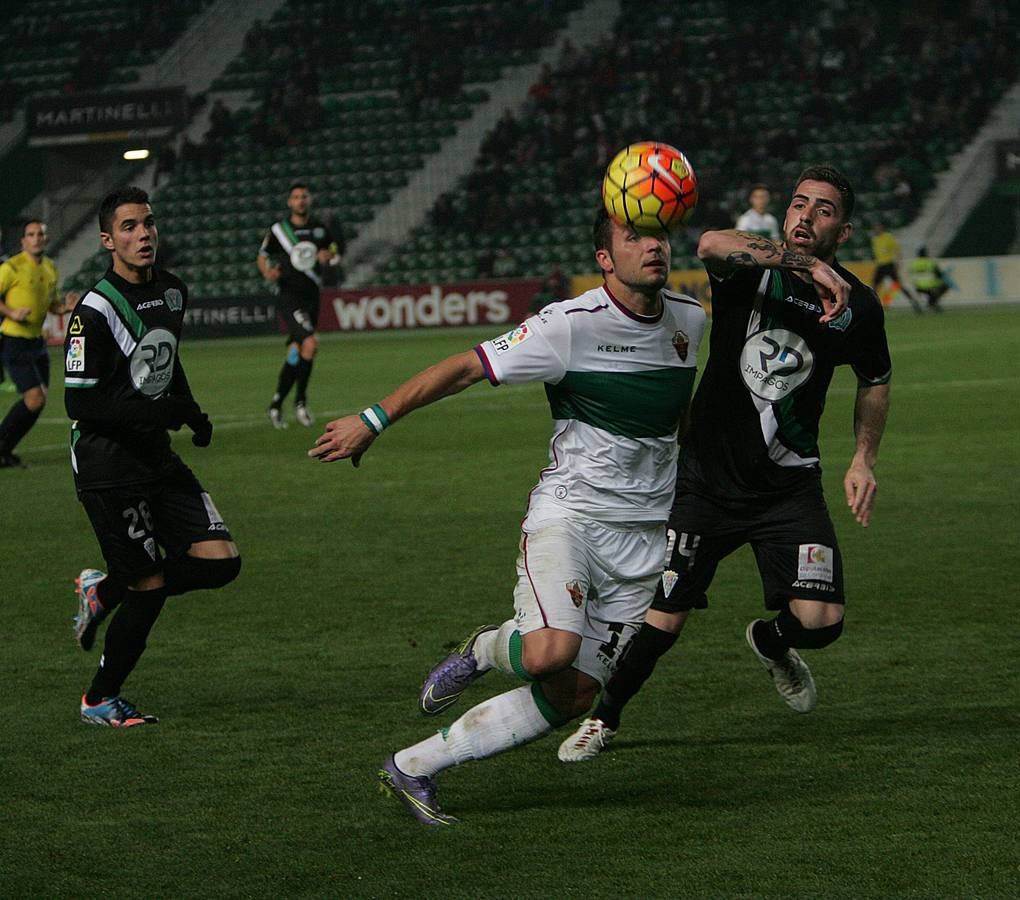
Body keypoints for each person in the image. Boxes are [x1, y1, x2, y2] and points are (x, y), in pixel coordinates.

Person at [309, 208, 707, 826]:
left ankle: (412, 765)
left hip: (646, 540)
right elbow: (467, 367)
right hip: (571, 517)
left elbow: (675, 416)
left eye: (659, 235)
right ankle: (489, 647)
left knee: (573, 692)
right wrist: (373, 420)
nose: (653, 247)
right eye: (635, 237)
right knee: (550, 650)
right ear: (605, 259)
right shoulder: (568, 325)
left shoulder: (690, 318)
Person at [557, 164, 891, 762]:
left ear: (843, 230)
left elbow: (875, 379)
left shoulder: (857, 308)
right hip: (707, 480)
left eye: (823, 210)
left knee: (823, 619)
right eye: (799, 204)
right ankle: (604, 721)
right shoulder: (750, 271)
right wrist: (804, 264)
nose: (805, 217)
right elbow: (711, 241)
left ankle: (769, 639)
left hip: (788, 485)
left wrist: (863, 458)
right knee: (667, 615)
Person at [64, 185, 241, 727]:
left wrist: (191, 412)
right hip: (107, 465)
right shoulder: (92, 311)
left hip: (155, 456)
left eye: (148, 224)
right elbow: (80, 398)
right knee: (150, 587)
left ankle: (106, 586)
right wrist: (154, 415)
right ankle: (100, 699)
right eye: (129, 228)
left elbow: (164, 361)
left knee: (221, 561)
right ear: (106, 241)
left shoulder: (171, 291)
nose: (143, 234)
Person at [257, 181, 341, 428]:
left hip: (312, 297)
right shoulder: (279, 230)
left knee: (296, 353)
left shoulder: (319, 229)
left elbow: (334, 253)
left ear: (309, 200)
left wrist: (329, 257)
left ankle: (275, 404)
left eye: (304, 196)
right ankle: (301, 402)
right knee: (311, 343)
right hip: (290, 296)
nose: (300, 200)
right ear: (289, 202)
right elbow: (262, 257)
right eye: (296, 197)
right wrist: (268, 273)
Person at [0, 219, 72, 468]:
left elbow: (53, 304)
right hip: (14, 340)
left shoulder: (50, 267)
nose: (36, 238)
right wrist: (10, 312)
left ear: (46, 238)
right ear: (23, 241)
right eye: (31, 234)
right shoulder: (11, 267)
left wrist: (65, 308)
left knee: (39, 401)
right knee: (34, 399)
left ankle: (4, 450)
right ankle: (1, 448)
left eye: (40, 234)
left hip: (37, 343)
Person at [869, 220, 922, 314]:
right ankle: (873, 307)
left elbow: (897, 251)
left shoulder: (888, 237)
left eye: (878, 227)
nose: (876, 229)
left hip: (889, 264)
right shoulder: (874, 239)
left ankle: (914, 302)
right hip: (880, 265)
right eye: (875, 228)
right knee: (874, 287)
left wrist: (898, 264)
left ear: (882, 228)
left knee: (898, 285)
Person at [908, 245, 948, 312]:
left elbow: (910, 275)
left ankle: (929, 304)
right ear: (926, 254)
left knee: (930, 292)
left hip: (918, 286)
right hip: (930, 285)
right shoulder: (930, 262)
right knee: (945, 286)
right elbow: (939, 275)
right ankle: (932, 304)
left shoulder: (914, 263)